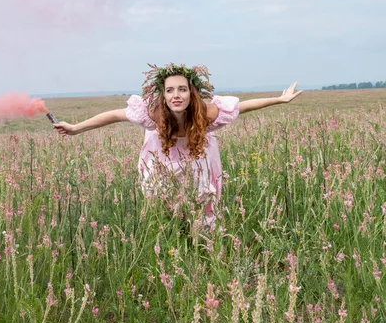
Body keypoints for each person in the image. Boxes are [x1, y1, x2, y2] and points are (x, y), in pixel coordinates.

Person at [53, 63, 302, 225]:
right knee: (162, 205)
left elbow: (245, 106)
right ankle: (167, 233)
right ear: (163, 94)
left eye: (182, 89)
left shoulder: (206, 112)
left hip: (198, 159)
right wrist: (75, 128)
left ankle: (201, 240)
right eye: (170, 90)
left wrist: (280, 100)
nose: (176, 95)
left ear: (190, 93)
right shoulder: (153, 114)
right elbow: (114, 115)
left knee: (201, 203)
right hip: (162, 160)